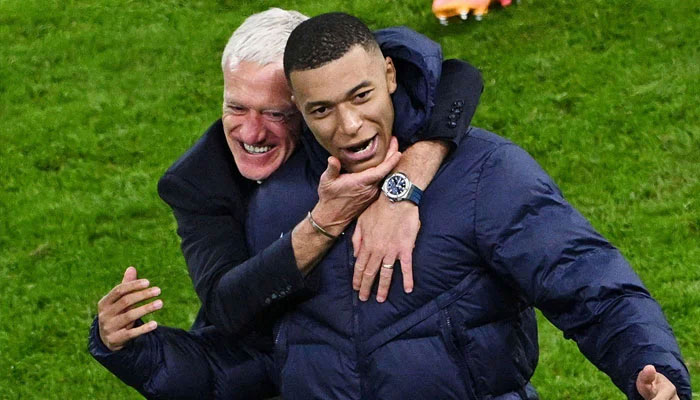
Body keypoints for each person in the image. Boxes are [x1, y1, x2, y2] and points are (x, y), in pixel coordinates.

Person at [230, 11, 690, 399]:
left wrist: (647, 362)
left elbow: (585, 278)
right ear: (297, 106)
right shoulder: (276, 199)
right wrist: (156, 356)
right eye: (322, 110)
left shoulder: (486, 173)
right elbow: (245, 348)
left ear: (390, 74)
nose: (349, 125)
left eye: (361, 96)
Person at [89, 8, 484, 398]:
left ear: (311, 103)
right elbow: (226, 307)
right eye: (236, 107)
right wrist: (325, 222)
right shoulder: (197, 183)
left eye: (275, 113)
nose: (251, 131)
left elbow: (456, 76)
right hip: (282, 356)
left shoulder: (343, 99)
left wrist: (406, 183)